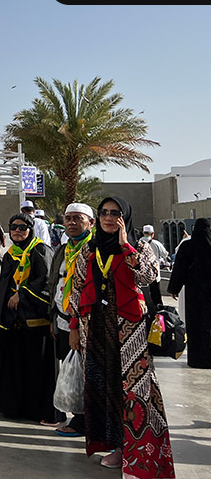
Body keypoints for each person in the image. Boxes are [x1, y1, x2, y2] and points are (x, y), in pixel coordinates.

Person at [69, 196, 175, 477]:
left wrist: (126, 245)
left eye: (115, 213)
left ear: (125, 217)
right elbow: (77, 288)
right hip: (95, 330)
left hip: (129, 332)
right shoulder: (89, 249)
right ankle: (115, 445)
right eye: (103, 212)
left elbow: (148, 276)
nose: (108, 217)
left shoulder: (138, 246)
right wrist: (73, 327)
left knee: (132, 390)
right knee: (103, 389)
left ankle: (133, 450)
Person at [0, 214, 54, 424]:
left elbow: (46, 281)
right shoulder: (10, 253)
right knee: (13, 364)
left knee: (35, 368)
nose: (17, 231)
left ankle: (35, 410)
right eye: (13, 227)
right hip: (12, 320)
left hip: (34, 321)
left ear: (30, 229)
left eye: (22, 227)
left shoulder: (40, 250)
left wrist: (22, 294)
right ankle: (12, 407)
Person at [47, 203, 94, 437]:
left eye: (78, 218)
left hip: (85, 322)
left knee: (86, 371)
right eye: (68, 219)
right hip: (62, 318)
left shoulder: (94, 249)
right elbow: (54, 282)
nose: (72, 223)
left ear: (91, 223)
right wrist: (53, 317)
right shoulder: (63, 249)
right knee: (71, 369)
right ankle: (76, 415)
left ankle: (83, 420)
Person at [168, 217, 211, 368]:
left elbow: (180, 268)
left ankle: (197, 359)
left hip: (194, 292)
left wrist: (174, 288)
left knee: (195, 324)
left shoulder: (188, 246)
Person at [140, 224, 169, 313]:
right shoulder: (156, 243)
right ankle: (157, 309)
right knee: (155, 293)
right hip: (154, 273)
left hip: (141, 272)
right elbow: (165, 254)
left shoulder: (138, 242)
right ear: (152, 234)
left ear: (143, 233)